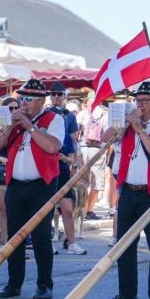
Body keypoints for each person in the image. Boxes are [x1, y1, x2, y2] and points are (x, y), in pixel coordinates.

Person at [102, 81, 150, 299]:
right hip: (128, 191)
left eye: (145, 101)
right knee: (124, 245)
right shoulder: (130, 124)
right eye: (138, 100)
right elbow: (105, 138)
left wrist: (139, 129)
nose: (141, 104)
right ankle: (127, 293)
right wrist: (120, 122)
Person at [0, 79, 64, 299]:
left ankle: (45, 285)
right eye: (21, 98)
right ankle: (13, 283)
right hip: (16, 184)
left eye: (28, 99)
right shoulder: (15, 118)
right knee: (14, 236)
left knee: (41, 236)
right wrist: (9, 127)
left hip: (42, 185)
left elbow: (52, 146)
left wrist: (29, 126)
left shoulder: (54, 119)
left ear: (41, 101)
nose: (22, 102)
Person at [49, 82, 86, 255]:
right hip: (47, 169)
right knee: (47, 209)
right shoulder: (46, 115)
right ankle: (48, 243)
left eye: (59, 94)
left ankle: (72, 243)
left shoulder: (69, 118)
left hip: (63, 168)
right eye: (53, 94)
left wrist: (71, 163)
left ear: (64, 96)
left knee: (68, 208)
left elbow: (73, 143)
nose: (56, 97)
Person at [0, 96, 18, 244]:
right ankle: (5, 238)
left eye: (15, 108)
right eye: (10, 108)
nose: (13, 111)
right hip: (1, 169)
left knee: (15, 209)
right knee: (3, 209)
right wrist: (4, 160)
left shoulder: (21, 127)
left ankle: (16, 240)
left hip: (17, 170)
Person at [79, 97, 107, 220]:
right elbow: (107, 135)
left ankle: (81, 211)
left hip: (83, 148)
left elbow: (76, 134)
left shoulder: (82, 114)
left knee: (82, 183)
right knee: (97, 183)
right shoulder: (104, 114)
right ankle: (89, 210)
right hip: (98, 149)